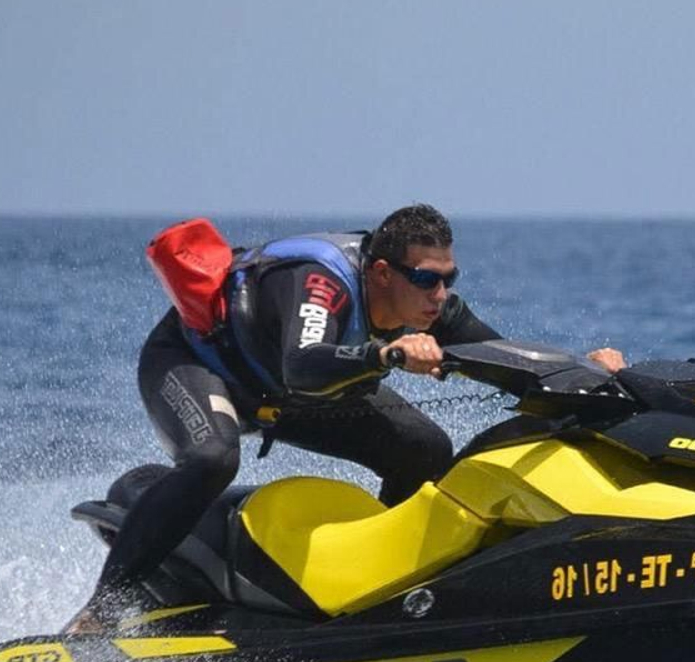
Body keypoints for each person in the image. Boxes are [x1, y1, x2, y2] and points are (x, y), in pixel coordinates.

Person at [66, 203, 624, 633]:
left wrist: (582, 369)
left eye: (449, 278)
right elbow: (304, 364)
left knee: (421, 447)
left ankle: (386, 592)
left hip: (289, 394)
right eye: (426, 279)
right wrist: (388, 355)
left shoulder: (433, 307)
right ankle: (99, 611)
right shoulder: (321, 283)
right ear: (382, 273)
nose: (441, 294)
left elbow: (501, 359)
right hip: (200, 368)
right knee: (213, 457)